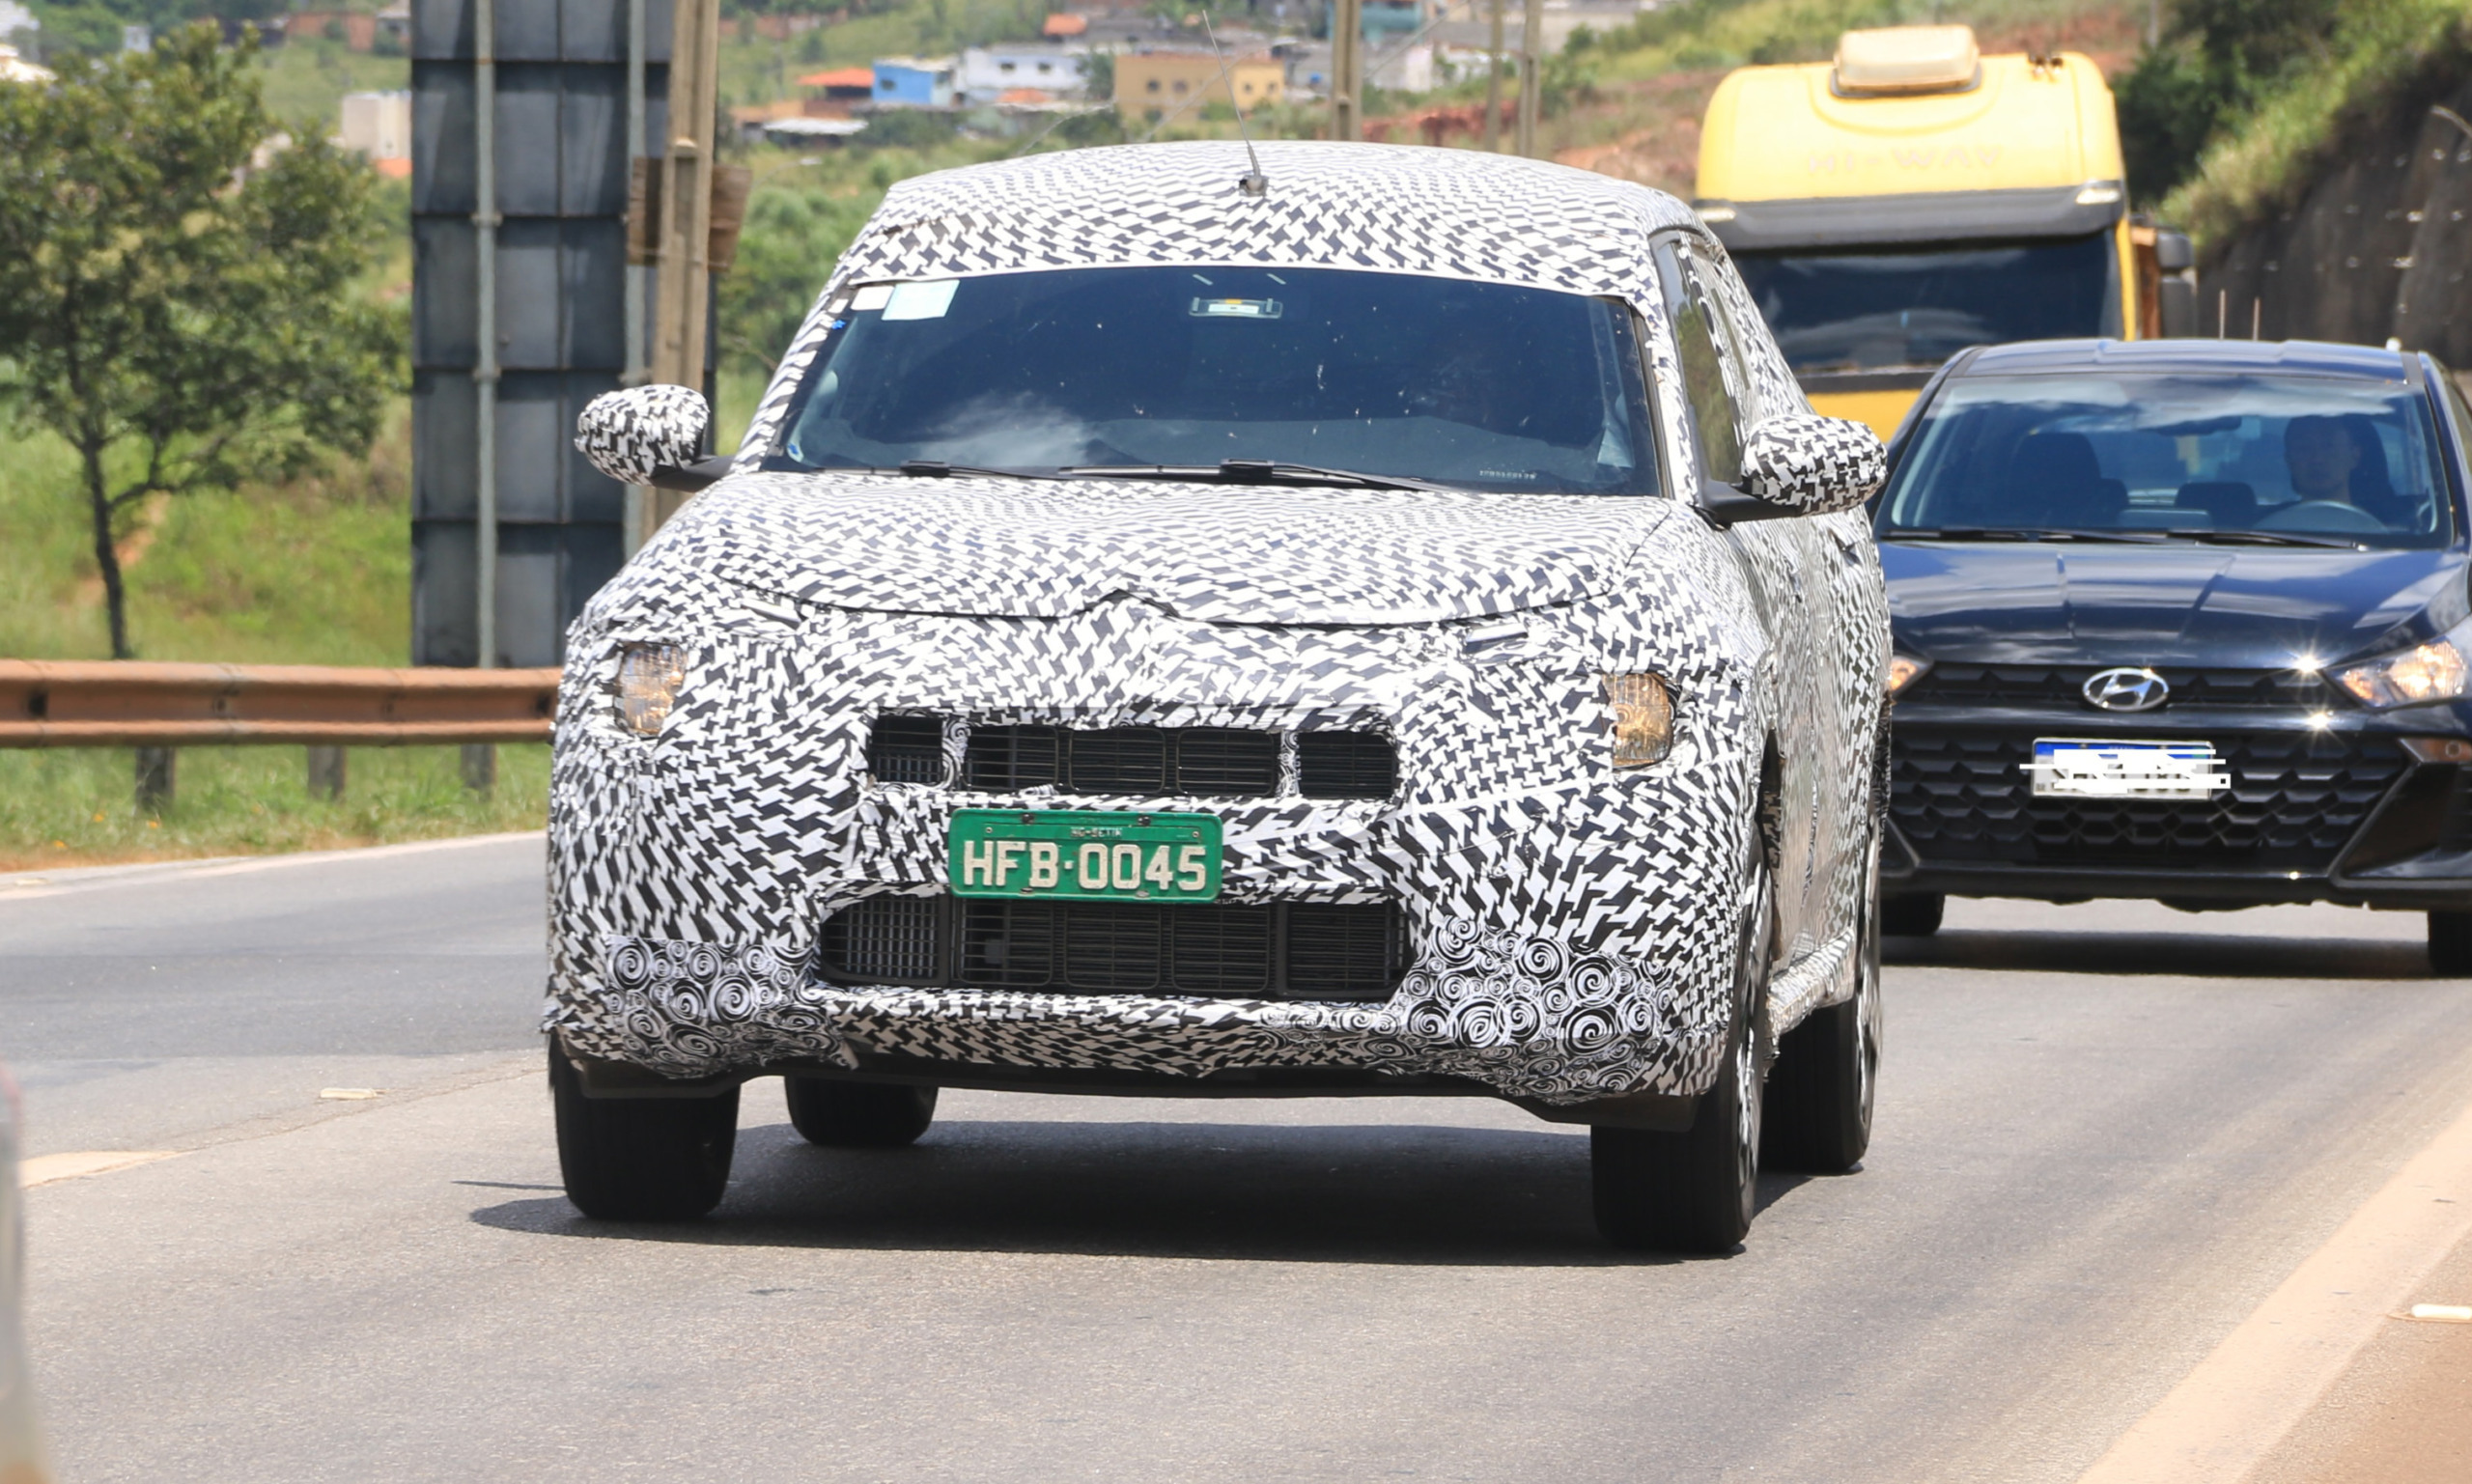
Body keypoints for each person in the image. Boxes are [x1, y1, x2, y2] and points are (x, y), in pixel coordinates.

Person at [2283, 414, 2411, 527]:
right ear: (2289, 460)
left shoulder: (2399, 531)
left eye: (2329, 446)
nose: (2317, 459)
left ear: (2355, 456)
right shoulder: (2266, 531)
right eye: (2304, 448)